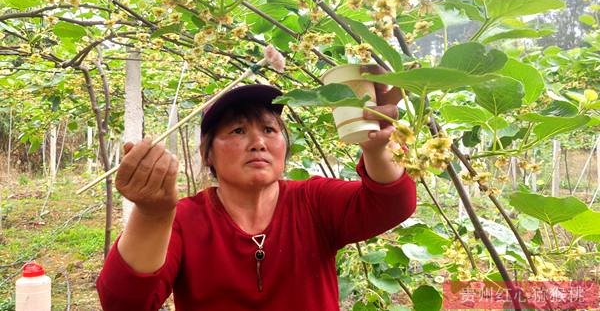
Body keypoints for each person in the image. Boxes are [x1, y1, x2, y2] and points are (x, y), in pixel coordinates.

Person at [96, 66, 417, 310]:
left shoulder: (313, 201)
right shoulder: (183, 219)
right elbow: (124, 301)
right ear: (208, 153)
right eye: (237, 130)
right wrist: (152, 215)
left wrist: (375, 149)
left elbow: (390, 204)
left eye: (269, 129)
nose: (258, 142)